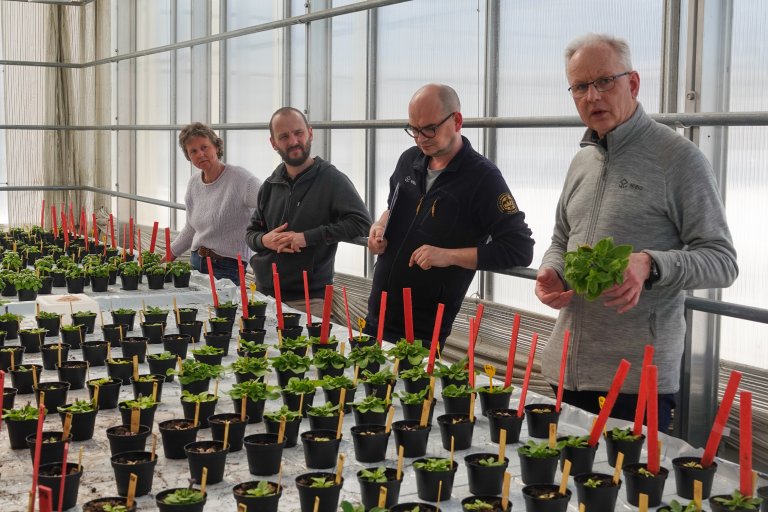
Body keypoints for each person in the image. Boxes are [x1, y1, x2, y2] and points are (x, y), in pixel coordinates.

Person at [536, 33, 738, 431]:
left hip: (636, 383)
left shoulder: (677, 160)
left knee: (630, 492)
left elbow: (722, 260)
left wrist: (651, 264)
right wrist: (552, 269)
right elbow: (561, 237)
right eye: (580, 86)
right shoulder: (583, 161)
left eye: (604, 81)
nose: (592, 96)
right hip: (567, 369)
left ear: (633, 82)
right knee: (561, 486)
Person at [365, 84, 534, 347]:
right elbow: (393, 206)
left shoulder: (482, 178)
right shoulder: (409, 160)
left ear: (456, 121)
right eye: (414, 129)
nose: (421, 138)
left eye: (429, 128)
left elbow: (519, 248)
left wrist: (448, 256)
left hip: (422, 331)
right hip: (376, 315)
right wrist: (379, 226)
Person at [245, 107, 371, 317]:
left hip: (308, 300)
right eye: (284, 136)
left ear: (310, 133)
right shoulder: (270, 184)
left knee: (306, 350)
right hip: (264, 294)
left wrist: (306, 238)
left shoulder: (331, 180)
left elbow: (361, 222)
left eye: (298, 133)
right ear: (273, 143)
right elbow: (250, 234)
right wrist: (265, 240)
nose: (293, 141)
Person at [168, 122, 261, 286]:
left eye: (205, 147)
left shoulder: (241, 179)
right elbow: (191, 228)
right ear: (189, 157)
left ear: (216, 147)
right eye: (193, 151)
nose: (200, 154)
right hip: (197, 261)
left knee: (224, 311)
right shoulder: (194, 183)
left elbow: (271, 204)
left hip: (228, 266)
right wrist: (166, 257)